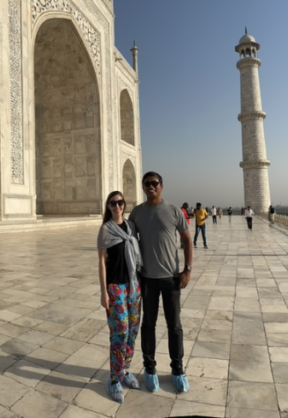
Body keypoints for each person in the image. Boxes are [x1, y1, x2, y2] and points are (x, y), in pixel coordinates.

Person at [129, 171, 193, 393]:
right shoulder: (136, 213)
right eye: (147, 184)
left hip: (170, 279)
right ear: (143, 187)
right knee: (148, 325)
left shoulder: (174, 211)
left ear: (162, 186)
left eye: (154, 183)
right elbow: (128, 243)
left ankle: (177, 369)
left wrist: (187, 269)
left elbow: (187, 239)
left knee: (174, 326)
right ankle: (149, 368)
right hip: (147, 279)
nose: (151, 187)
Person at [97, 191, 143, 403]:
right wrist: (103, 291)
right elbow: (102, 262)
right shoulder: (106, 230)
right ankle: (114, 378)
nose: (117, 206)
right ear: (108, 206)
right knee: (120, 330)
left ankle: (125, 370)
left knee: (132, 329)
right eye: (113, 203)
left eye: (120, 203)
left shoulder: (131, 227)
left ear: (125, 205)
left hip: (133, 286)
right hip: (115, 287)